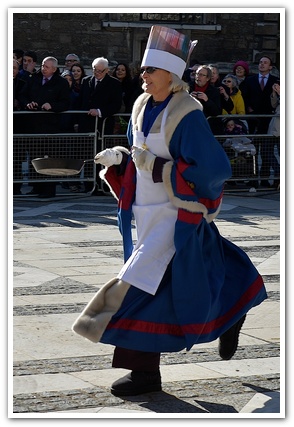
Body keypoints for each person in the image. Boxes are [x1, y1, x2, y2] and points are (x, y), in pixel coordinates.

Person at [72, 25, 267, 397]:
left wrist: (157, 168)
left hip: (176, 215)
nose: (142, 75)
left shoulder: (186, 114)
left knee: (137, 288)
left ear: (170, 76)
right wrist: (121, 158)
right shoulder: (141, 105)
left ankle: (145, 373)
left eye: (149, 70)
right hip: (148, 215)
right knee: (200, 266)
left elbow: (213, 169)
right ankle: (233, 311)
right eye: (143, 70)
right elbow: (139, 153)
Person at [19, 56, 71, 197]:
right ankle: (36, 187)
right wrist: (28, 103)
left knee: (48, 158)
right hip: (33, 125)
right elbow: (22, 95)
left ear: (54, 69)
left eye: (47, 67)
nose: (43, 69)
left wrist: (52, 106)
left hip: (51, 127)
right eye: (42, 65)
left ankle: (48, 189)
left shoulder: (60, 83)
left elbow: (65, 103)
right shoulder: (34, 79)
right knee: (35, 158)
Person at [76, 57, 122, 194]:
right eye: (95, 70)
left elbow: (116, 105)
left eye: (100, 71)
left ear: (107, 71)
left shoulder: (114, 84)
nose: (97, 73)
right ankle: (89, 183)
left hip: (103, 125)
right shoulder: (86, 81)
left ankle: (102, 183)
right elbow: (81, 102)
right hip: (87, 125)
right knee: (88, 154)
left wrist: (100, 112)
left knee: (102, 155)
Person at [241, 56, 279, 186]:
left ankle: (264, 177)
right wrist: (248, 108)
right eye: (261, 62)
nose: (262, 64)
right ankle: (252, 178)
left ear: (270, 67)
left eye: (265, 63)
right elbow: (244, 97)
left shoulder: (275, 81)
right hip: (253, 119)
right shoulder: (250, 80)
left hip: (269, 119)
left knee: (266, 151)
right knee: (253, 150)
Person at [189, 65, 222, 134]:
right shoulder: (187, 87)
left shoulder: (214, 91)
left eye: (201, 75)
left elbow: (217, 112)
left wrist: (207, 100)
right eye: (197, 74)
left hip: (206, 126)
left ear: (207, 78)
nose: (198, 76)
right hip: (190, 125)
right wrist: (188, 98)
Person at [13, 58, 27, 195]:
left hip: (18, 125)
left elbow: (24, 99)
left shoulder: (22, 83)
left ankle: (16, 187)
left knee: (16, 158)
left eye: (14, 68)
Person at [267, 81, 280, 189]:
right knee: (267, 152)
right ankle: (278, 172)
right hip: (274, 128)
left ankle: (280, 175)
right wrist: (274, 94)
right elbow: (274, 104)